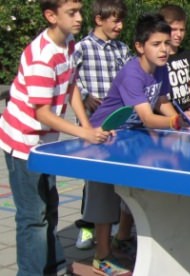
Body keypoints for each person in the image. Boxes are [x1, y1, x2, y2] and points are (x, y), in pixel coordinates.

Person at [86, 13, 190, 275]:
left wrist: (182, 117)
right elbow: (148, 117)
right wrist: (175, 124)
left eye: (165, 43)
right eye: (156, 44)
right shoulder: (132, 74)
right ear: (140, 46)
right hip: (104, 136)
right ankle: (101, 256)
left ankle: (123, 239)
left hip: (128, 136)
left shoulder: (160, 67)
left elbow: (161, 101)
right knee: (105, 197)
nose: (163, 49)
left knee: (134, 191)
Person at [0, 1, 108, 274]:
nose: (80, 18)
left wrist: (86, 124)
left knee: (50, 209)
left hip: (45, 144)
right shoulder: (42, 56)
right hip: (23, 143)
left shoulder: (69, 43)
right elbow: (43, 114)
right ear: (51, 16)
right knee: (33, 217)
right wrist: (83, 133)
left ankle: (56, 267)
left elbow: (71, 85)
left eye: (80, 11)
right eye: (71, 13)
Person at [69, 0, 131, 251]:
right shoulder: (81, 47)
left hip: (118, 122)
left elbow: (129, 78)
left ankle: (111, 225)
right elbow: (70, 78)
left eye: (121, 20)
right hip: (91, 124)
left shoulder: (122, 49)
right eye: (115, 20)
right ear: (99, 20)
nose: (120, 25)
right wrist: (85, 95)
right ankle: (87, 226)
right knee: (92, 180)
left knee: (114, 177)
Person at [159, 4, 190, 116]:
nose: (179, 34)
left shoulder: (188, 56)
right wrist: (178, 117)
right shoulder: (158, 60)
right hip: (166, 119)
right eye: (173, 29)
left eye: (182, 30)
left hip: (188, 115)